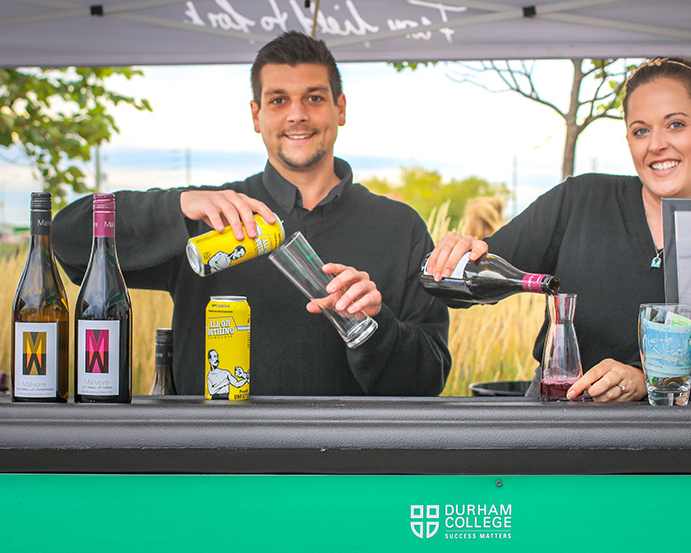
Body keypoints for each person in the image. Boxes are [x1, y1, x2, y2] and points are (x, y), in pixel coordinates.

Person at [52, 31, 450, 397]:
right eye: (278, 100)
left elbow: (427, 382)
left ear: (339, 109)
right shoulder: (208, 217)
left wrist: (374, 327)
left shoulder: (401, 227)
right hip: (215, 465)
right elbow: (67, 241)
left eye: (314, 97)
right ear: (256, 115)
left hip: (347, 466)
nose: (297, 114)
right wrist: (178, 205)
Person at [425, 57, 691, 402]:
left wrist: (644, 380)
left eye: (675, 124)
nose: (656, 144)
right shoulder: (580, 201)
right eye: (641, 130)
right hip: (561, 422)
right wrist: (457, 258)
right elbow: (460, 288)